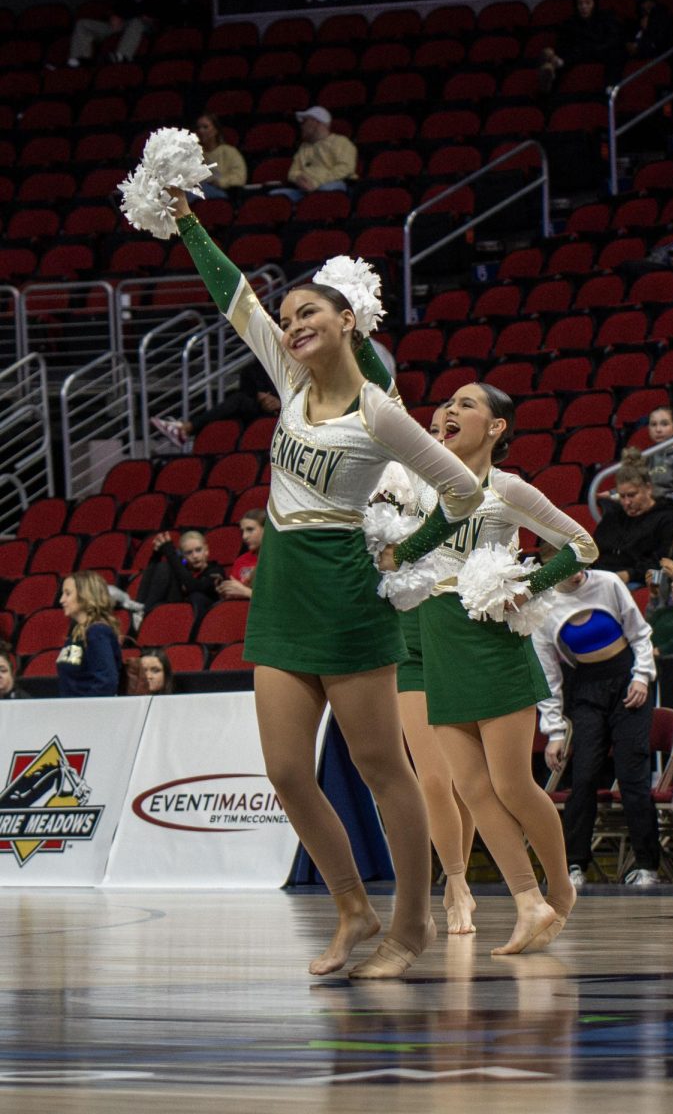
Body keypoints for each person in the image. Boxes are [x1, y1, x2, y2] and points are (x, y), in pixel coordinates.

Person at [164, 187, 484, 979]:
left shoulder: (379, 413)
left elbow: (464, 490)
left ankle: (409, 928)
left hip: (346, 595)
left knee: (384, 771)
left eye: (311, 311)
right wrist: (184, 217)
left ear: (349, 321)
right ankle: (351, 907)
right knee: (282, 771)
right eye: (290, 314)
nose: (294, 322)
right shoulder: (288, 373)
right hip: (279, 590)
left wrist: (404, 550)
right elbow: (232, 293)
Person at [404, 382, 598, 954]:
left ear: (496, 428)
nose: (449, 410)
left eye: (467, 404)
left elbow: (582, 545)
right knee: (470, 786)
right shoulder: (422, 484)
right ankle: (527, 902)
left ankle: (559, 887)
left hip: (491, 643)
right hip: (437, 642)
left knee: (512, 783)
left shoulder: (505, 487)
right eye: (446, 403)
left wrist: (523, 587)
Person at [383, 406, 476, 936]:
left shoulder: (487, 487)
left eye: (451, 424)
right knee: (433, 778)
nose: (441, 430)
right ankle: (457, 883)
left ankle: (455, 878)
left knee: (463, 780)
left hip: (458, 634)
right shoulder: (399, 480)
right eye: (434, 426)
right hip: (409, 635)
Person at [535, 566, 660, 889]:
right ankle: (574, 864)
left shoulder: (608, 583)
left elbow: (640, 633)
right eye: (569, 566)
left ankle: (647, 864)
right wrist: (555, 733)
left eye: (582, 565)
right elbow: (548, 677)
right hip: (586, 686)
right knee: (584, 775)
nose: (577, 574)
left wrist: (642, 676)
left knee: (632, 774)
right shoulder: (544, 604)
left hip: (628, 681)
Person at [592, 449, 673, 587]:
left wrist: (629, 575)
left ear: (648, 488)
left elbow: (662, 561)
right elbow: (596, 548)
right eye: (622, 496)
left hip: (636, 581)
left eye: (632, 495)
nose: (627, 502)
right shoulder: (614, 515)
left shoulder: (668, 518)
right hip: (601, 575)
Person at [67, 0, 179, 66]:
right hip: (122, 24)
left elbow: (171, 14)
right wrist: (114, 16)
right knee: (83, 24)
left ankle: (122, 55)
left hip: (147, 25)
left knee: (137, 22)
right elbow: (116, 9)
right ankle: (80, 60)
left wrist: (153, 19)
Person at [151, 356, 280, 449]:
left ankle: (186, 429)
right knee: (236, 404)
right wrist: (262, 400)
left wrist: (279, 403)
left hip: (289, 413)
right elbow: (249, 397)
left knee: (238, 400)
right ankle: (185, 430)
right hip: (259, 415)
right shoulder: (252, 370)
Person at [539, 0, 625, 92]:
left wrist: (594, 48)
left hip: (602, 51)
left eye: (587, 3)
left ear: (594, 3)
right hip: (578, 54)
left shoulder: (606, 19)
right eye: (580, 3)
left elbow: (613, 40)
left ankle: (611, 89)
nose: (584, 6)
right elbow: (564, 44)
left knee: (615, 53)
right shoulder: (570, 23)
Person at [56, 571, 123, 698]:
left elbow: (106, 681)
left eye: (68, 593)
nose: (61, 600)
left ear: (85, 596)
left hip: (88, 713)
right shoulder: (77, 632)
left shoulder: (97, 632)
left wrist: (86, 710)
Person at [272, 106, 357, 203]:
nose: (301, 126)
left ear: (316, 122)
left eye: (305, 122)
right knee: (275, 195)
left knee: (328, 189)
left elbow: (345, 168)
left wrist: (316, 182)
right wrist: (298, 179)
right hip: (304, 190)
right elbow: (293, 172)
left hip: (330, 186)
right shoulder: (304, 147)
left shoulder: (341, 142)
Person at [137, 529, 225, 618]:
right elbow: (151, 574)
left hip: (203, 617)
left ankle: (145, 613)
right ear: (184, 557)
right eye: (189, 553)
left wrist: (170, 552)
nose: (195, 556)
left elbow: (194, 587)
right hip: (173, 611)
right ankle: (138, 610)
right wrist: (156, 555)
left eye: (198, 550)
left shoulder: (216, 570)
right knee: (164, 567)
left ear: (206, 550)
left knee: (167, 567)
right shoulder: (183, 566)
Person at [196, 112, 247, 200]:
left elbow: (240, 177)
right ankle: (190, 214)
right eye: (198, 128)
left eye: (205, 127)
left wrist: (220, 182)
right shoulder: (194, 154)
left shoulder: (230, 152)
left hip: (222, 195)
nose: (201, 131)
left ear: (216, 130)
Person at [217, 509, 265, 602]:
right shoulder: (241, 560)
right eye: (242, 531)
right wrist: (226, 590)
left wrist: (246, 592)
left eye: (250, 530)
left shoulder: (279, 559)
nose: (244, 536)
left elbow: (281, 600)